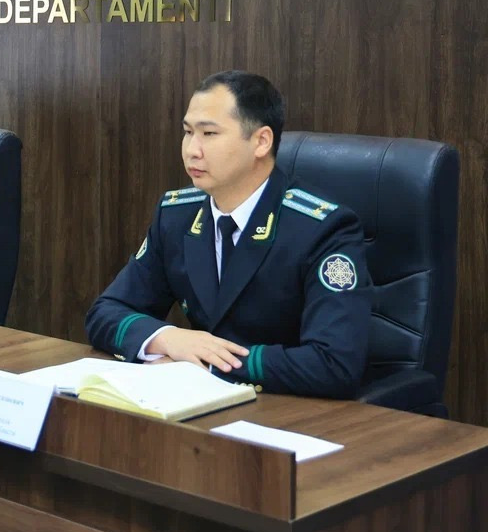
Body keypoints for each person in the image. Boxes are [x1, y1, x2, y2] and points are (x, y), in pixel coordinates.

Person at [85, 71, 372, 398]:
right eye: (188, 132)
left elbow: (333, 363)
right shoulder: (177, 215)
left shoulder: (321, 228)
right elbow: (105, 313)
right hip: (197, 404)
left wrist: (210, 365)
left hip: (286, 408)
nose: (192, 150)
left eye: (209, 134)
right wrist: (167, 339)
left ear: (261, 142)